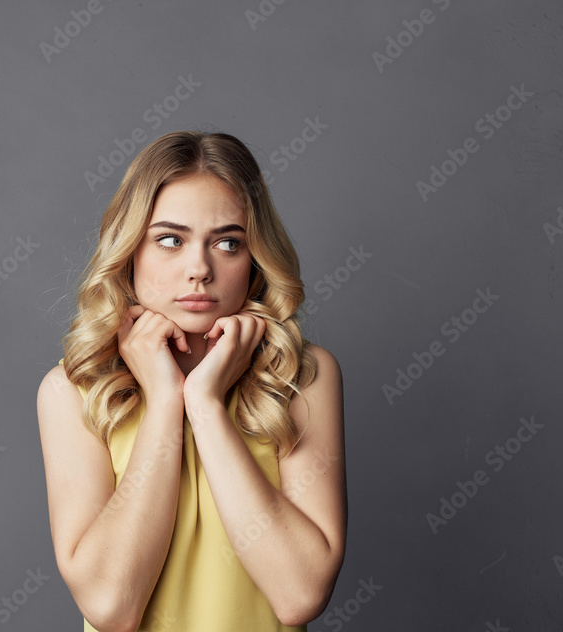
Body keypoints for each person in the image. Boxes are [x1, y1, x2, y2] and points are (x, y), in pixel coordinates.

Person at [37, 130, 347, 632]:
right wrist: (165, 402)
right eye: (170, 240)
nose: (199, 269)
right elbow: (111, 607)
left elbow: (300, 594)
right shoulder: (72, 392)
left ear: (255, 258)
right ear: (129, 251)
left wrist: (205, 403)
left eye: (228, 243)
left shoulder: (302, 377)